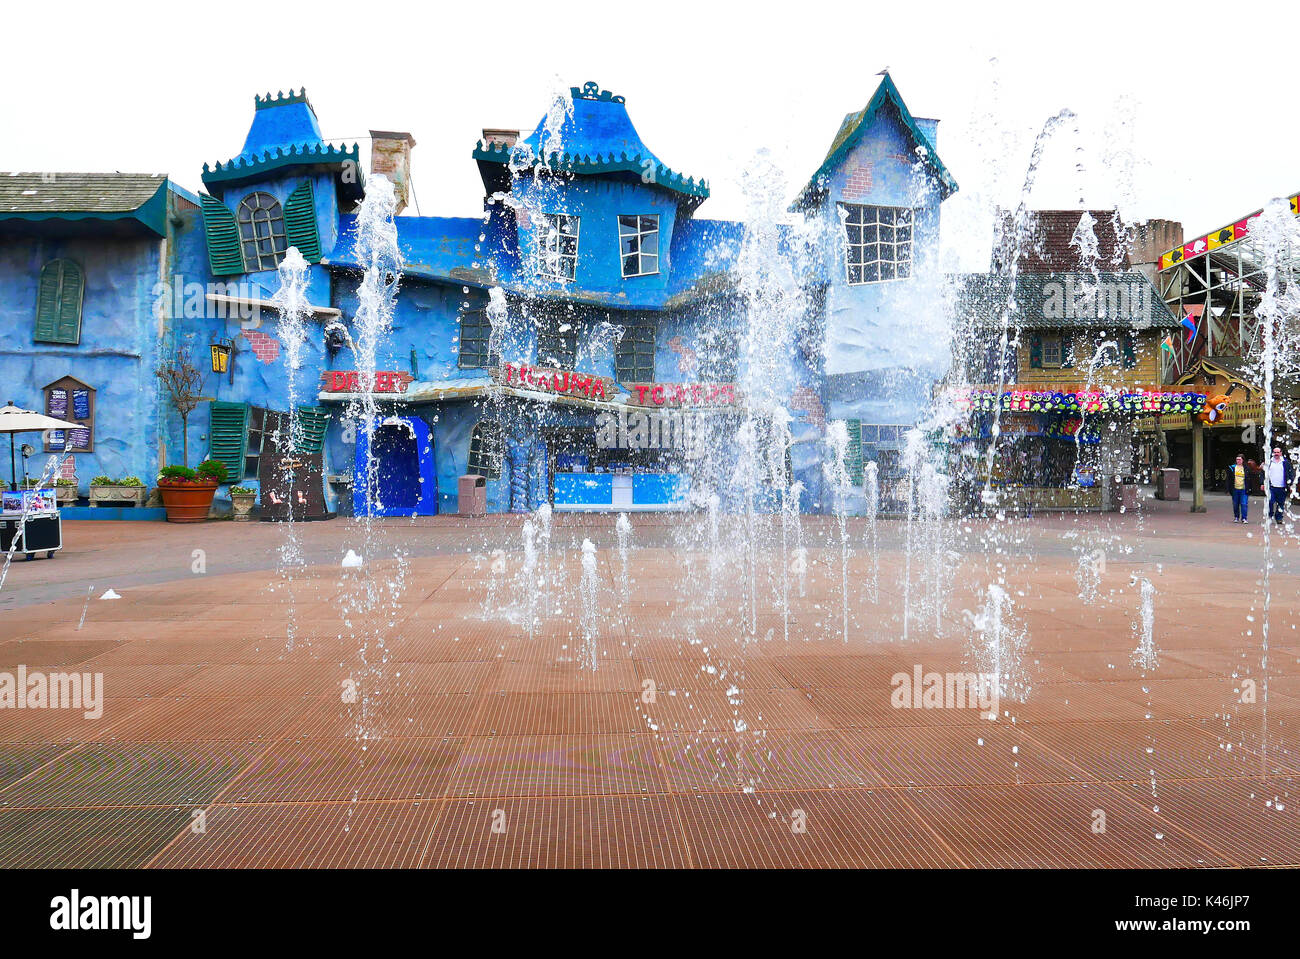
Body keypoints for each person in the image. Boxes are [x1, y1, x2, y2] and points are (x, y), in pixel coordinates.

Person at [1267, 447, 1290, 526]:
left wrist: (1290, 483)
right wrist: (1262, 483)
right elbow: (1263, 473)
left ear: (1281, 453)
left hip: (1282, 487)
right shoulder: (1269, 462)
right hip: (1272, 487)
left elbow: (1290, 474)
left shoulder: (1285, 462)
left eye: (1278, 452)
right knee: (1270, 502)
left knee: (1280, 504)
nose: (1276, 454)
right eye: (1275, 452)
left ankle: (1279, 518)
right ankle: (1270, 516)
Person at [1229, 454, 1249, 523]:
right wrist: (1229, 488)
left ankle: (1244, 518)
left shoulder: (1246, 468)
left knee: (1244, 504)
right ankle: (1236, 517)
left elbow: (1249, 479)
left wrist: (1249, 488)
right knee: (1235, 504)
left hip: (1243, 488)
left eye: (1240, 459)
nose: (1238, 461)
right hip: (1235, 488)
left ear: (1243, 460)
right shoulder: (1233, 468)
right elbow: (1229, 479)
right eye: (1237, 459)